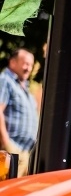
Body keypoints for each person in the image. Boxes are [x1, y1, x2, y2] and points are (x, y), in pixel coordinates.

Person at [0, 48, 38, 177]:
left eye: (31, 65)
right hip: (11, 151)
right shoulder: (5, 80)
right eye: (25, 63)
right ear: (12, 63)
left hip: (23, 153)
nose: (29, 68)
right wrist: (6, 144)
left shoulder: (23, 87)